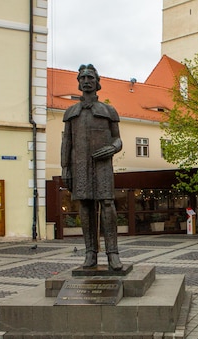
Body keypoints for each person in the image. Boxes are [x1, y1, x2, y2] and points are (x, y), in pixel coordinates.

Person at [61, 64, 123, 270]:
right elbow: (66, 143)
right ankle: (90, 253)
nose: (86, 81)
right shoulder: (71, 113)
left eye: (90, 78)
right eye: (82, 78)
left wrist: (111, 149)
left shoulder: (108, 110)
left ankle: (113, 253)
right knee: (85, 207)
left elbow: (118, 140)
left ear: (97, 83)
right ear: (78, 83)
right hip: (79, 166)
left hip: (103, 165)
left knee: (107, 205)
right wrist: (65, 169)